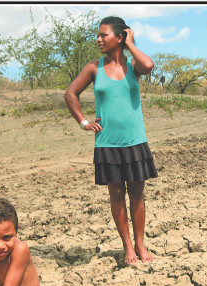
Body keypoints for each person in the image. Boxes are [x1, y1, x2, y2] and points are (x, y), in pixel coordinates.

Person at [64, 16, 157, 265]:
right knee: (116, 194)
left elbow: (148, 66)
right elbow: (70, 94)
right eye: (98, 35)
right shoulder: (94, 68)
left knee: (137, 194)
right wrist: (84, 122)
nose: (98, 39)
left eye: (104, 35)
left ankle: (140, 243)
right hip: (107, 143)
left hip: (135, 140)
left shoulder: (133, 65)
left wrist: (131, 44)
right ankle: (127, 247)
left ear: (119, 37)